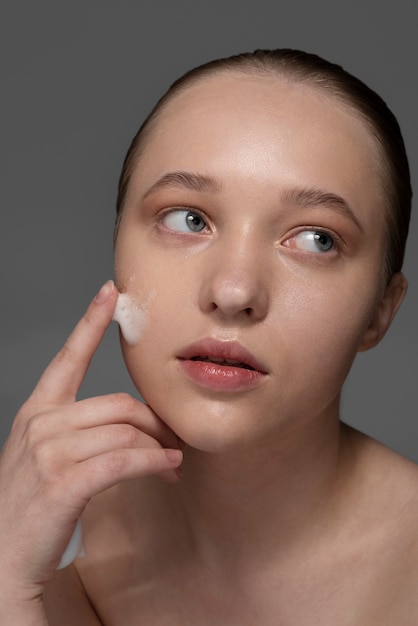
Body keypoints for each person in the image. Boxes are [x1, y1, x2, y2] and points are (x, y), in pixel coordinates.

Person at [0, 48, 415, 625]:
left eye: (317, 238)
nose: (234, 289)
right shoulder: (60, 535)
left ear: (380, 311)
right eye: (188, 219)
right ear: (117, 251)